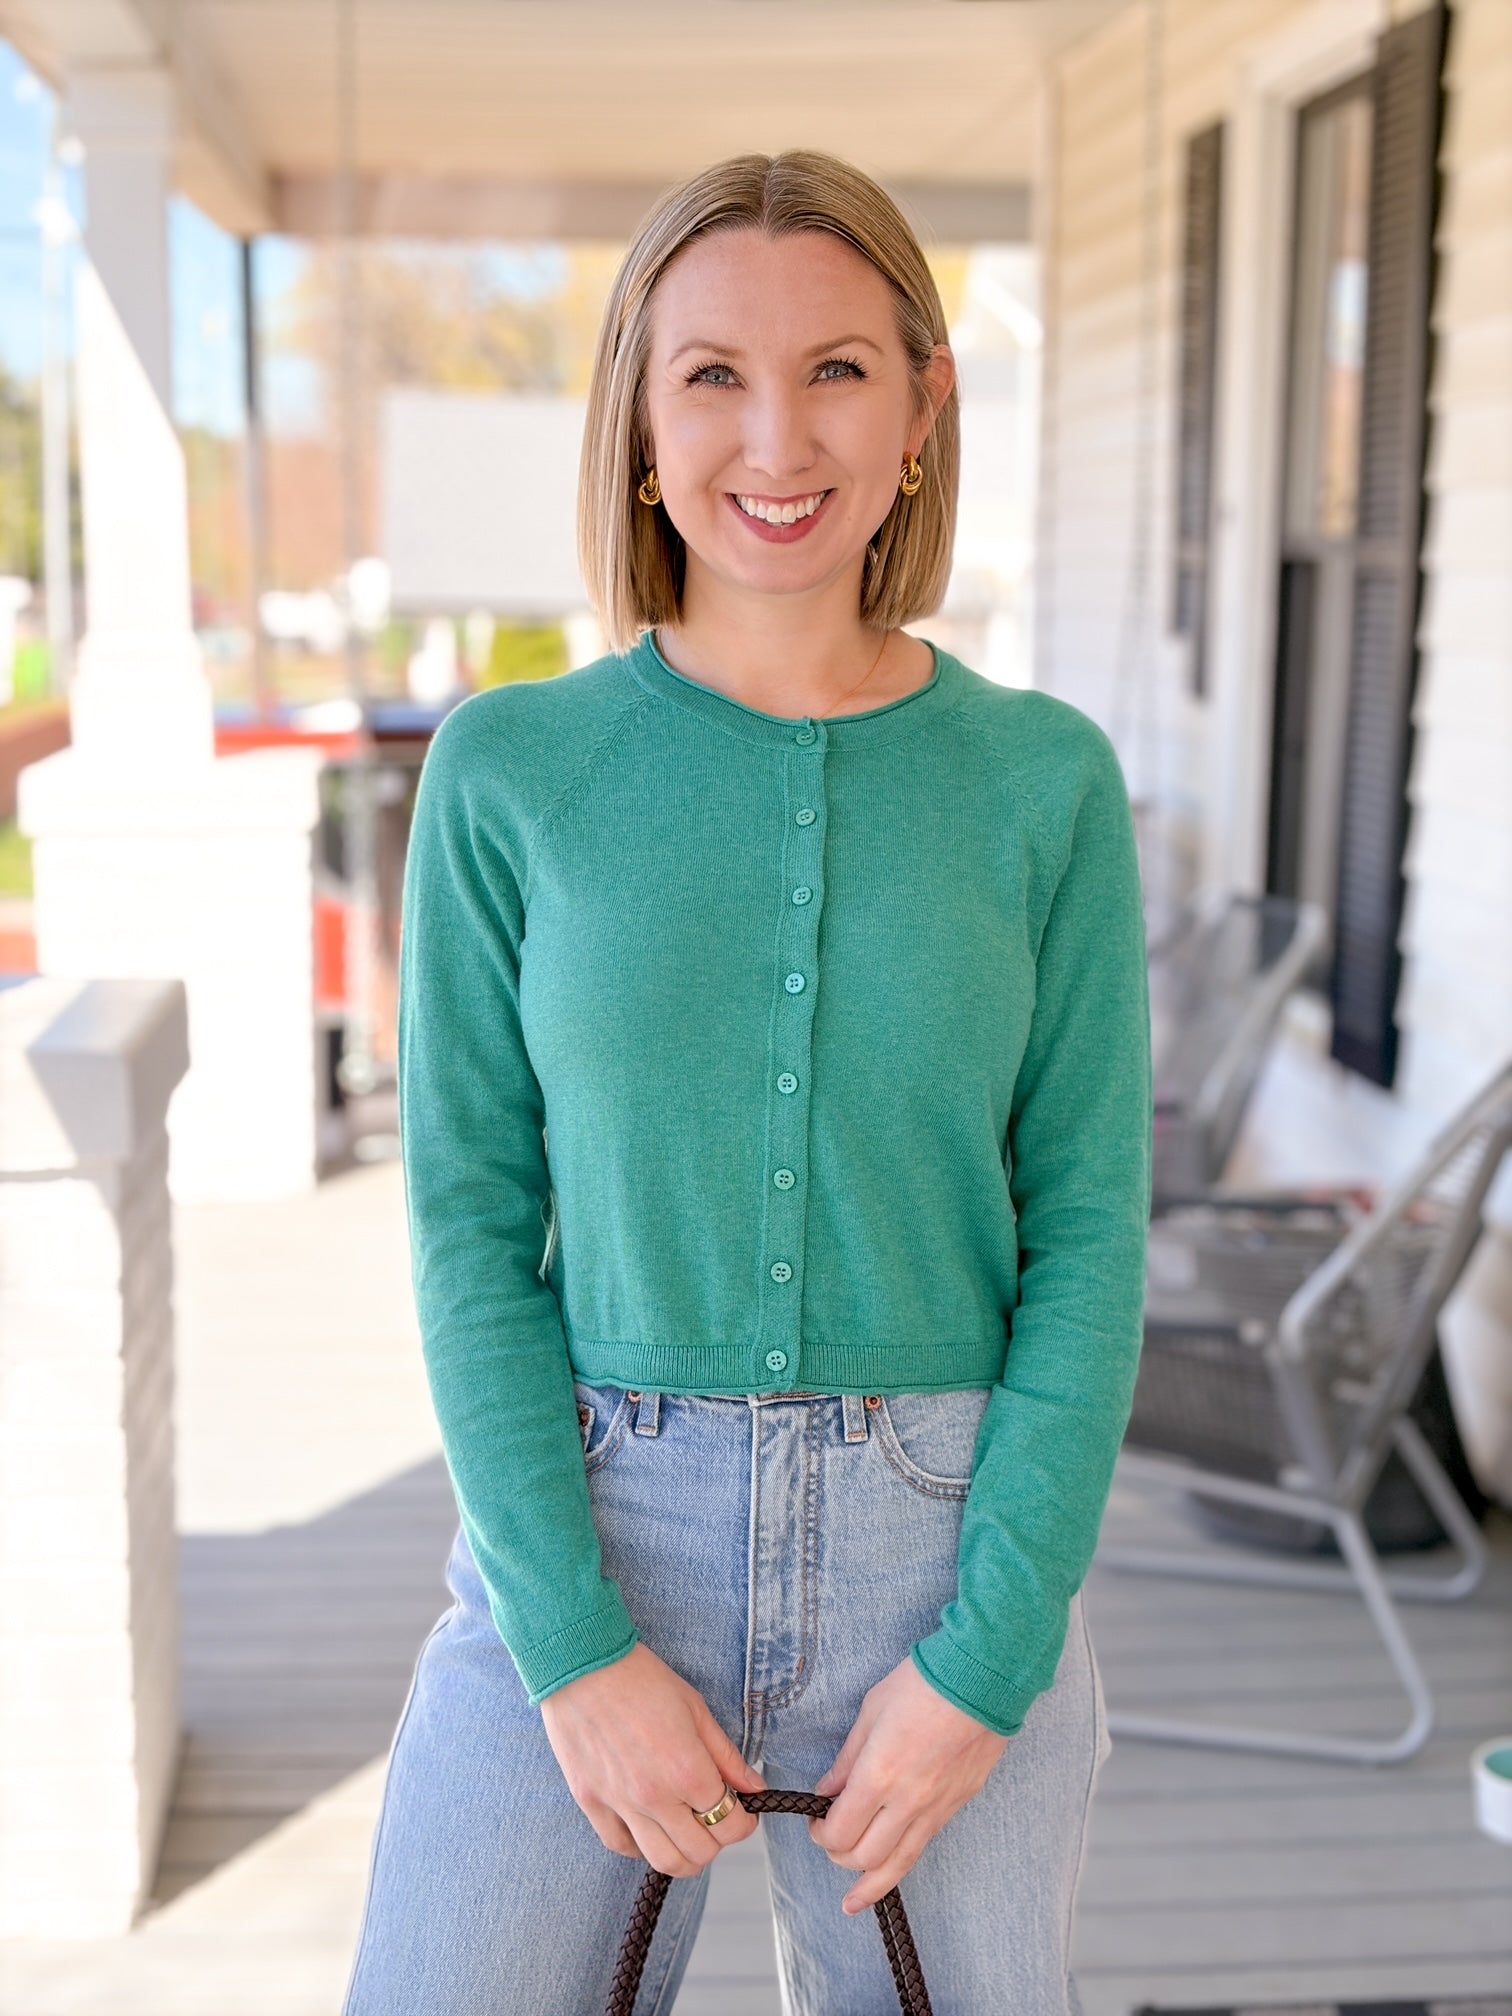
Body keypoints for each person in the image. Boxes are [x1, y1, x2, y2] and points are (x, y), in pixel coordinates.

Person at [341, 148, 1152, 2016]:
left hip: (948, 1562)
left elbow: (1093, 1235)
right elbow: (467, 1230)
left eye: (839, 369)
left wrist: (986, 1665)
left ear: (924, 409)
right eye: (709, 372)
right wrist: (572, 1649)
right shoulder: (512, 771)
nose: (774, 434)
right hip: (587, 1529)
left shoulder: (1043, 784)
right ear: (636, 416)